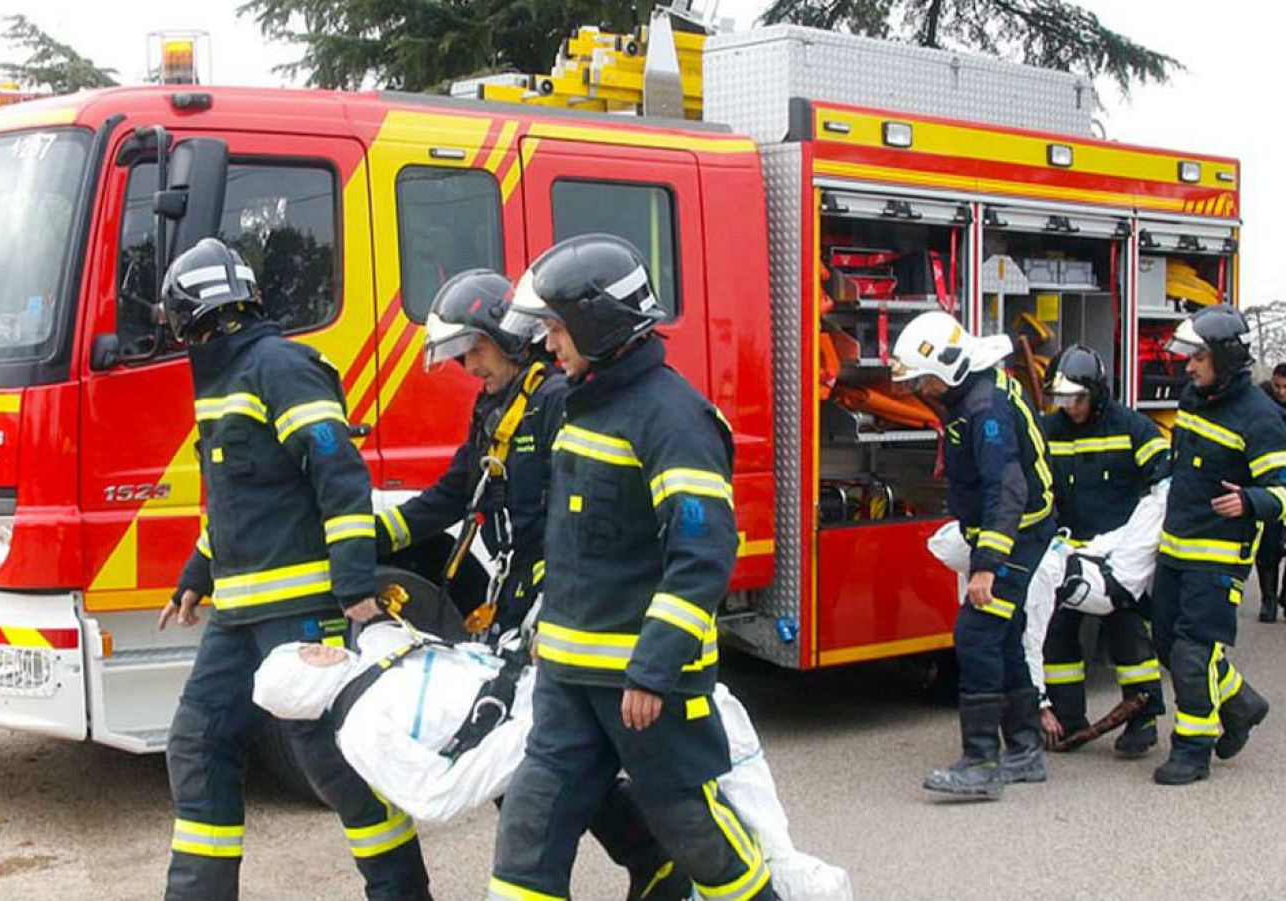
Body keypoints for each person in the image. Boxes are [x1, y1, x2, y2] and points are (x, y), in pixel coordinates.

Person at [484, 234, 774, 901]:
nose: (548, 344)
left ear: (597, 323)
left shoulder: (675, 420)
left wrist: (652, 667)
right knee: (530, 828)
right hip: (566, 678)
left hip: (647, 686)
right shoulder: (575, 402)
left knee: (692, 828)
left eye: (557, 328)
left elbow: (702, 555)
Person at [155, 238, 430, 900]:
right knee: (196, 740)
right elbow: (235, 500)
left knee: (331, 763)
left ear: (194, 315)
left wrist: (354, 586)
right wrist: (197, 571)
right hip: (240, 616)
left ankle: (401, 892)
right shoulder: (223, 383)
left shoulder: (281, 367)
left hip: (302, 611)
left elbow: (339, 475)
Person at [251, 622, 853, 901]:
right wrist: (523, 740)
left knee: (717, 717)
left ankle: (726, 865)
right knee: (698, 731)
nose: (319, 647)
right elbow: (435, 796)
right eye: (308, 655)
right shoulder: (363, 732)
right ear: (303, 688)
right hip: (541, 719)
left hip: (547, 690)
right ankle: (771, 870)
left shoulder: (380, 647)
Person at [890, 312, 1053, 798]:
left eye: (924, 380)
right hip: (1015, 530)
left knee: (977, 633)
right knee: (1001, 638)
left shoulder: (984, 410)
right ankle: (1024, 751)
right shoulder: (975, 393)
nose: (921, 390)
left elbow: (1008, 490)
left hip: (1017, 533)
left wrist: (986, 565)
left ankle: (981, 762)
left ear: (949, 366)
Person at [376, 269, 566, 636]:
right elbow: (450, 496)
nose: (471, 367)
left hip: (552, 592)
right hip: (516, 585)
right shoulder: (493, 411)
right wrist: (369, 538)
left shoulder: (553, 401)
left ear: (509, 337)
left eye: (476, 350)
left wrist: (554, 602)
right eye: (463, 357)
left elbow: (573, 518)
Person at [1148, 305, 1279, 785]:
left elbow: (1283, 489)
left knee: (1193, 653)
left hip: (1220, 556)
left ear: (1224, 357)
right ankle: (1241, 702)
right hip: (1177, 545)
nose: (1189, 365)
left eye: (1198, 356)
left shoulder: (1261, 418)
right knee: (1165, 641)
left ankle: (1192, 751)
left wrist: (1251, 500)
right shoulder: (1193, 398)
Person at [1037, 345, 1169, 757]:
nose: (1069, 407)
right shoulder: (1049, 431)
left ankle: (1142, 721)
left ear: (1097, 392)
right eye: (1062, 399)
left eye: (1076, 398)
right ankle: (1067, 719)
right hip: (1067, 553)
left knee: (1128, 636)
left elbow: (1164, 480)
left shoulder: (1132, 427)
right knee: (1057, 638)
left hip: (1117, 558)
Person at [1251, 362, 1286, 622]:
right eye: (1278, 386)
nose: (1282, 392)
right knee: (1269, 546)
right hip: (1271, 480)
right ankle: (1269, 599)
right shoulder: (1260, 405)